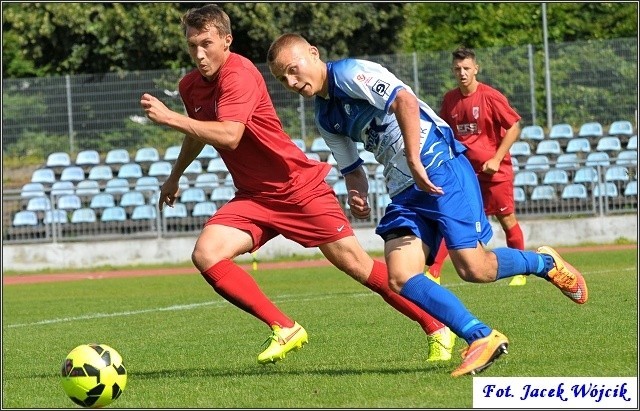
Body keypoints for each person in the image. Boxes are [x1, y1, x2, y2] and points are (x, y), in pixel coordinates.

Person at [140, 4, 452, 366]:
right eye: (192, 45)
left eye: (206, 43)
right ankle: (284, 327)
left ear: (227, 40)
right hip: (255, 197)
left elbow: (229, 135)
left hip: (297, 189)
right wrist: (175, 175)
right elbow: (198, 134)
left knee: (358, 267)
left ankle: (436, 326)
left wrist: (170, 117)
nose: (198, 53)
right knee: (206, 254)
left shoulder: (239, 74)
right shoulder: (190, 86)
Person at [267, 33, 588, 377]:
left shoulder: (349, 72)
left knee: (473, 269)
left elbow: (404, 101)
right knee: (401, 276)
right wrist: (356, 193)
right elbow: (352, 168)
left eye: (292, 69)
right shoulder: (325, 117)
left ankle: (543, 263)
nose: (290, 82)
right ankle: (480, 337)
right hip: (405, 192)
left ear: (313, 54)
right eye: (281, 78)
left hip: (440, 170)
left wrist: (416, 160)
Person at [430, 46, 527, 287]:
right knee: (453, 219)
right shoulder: (450, 100)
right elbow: (446, 132)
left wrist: (496, 158)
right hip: (465, 173)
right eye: (457, 69)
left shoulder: (490, 96)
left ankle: (522, 270)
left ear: (476, 69)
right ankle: (433, 272)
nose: (462, 73)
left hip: (495, 172)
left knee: (506, 219)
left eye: (466, 68)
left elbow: (514, 126)